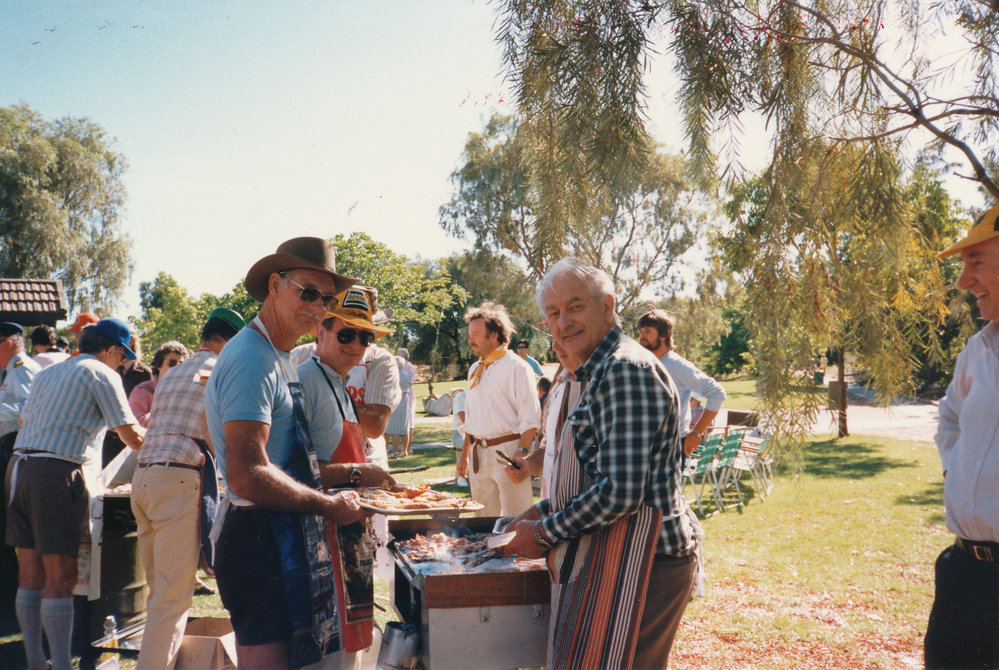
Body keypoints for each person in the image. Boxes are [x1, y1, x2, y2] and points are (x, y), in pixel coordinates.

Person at [504, 258, 701, 669]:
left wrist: (542, 533)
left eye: (575, 307)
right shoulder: (599, 370)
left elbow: (620, 493)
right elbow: (595, 476)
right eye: (553, 314)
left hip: (648, 562)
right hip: (618, 554)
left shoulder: (625, 370)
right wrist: (542, 508)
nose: (562, 323)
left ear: (608, 305)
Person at [204, 237, 371, 670]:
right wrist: (329, 506)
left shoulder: (275, 354)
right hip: (258, 540)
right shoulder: (252, 359)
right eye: (308, 292)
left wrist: (354, 479)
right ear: (275, 285)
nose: (318, 305)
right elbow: (247, 474)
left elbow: (289, 462)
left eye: (327, 297)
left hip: (278, 535)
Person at [5, 317, 145, 670]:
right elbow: (130, 434)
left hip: (19, 468)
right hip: (56, 473)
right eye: (122, 356)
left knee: (29, 572)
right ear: (111, 350)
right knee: (60, 574)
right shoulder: (102, 373)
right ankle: (64, 664)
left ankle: (37, 661)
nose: (123, 363)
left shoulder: (49, 372)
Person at [131, 309, 245, 670]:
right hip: (178, 480)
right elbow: (214, 435)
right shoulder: (220, 371)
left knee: (158, 594)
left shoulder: (172, 371)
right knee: (172, 600)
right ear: (229, 342)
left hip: (144, 477)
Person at [299, 305, 395, 669]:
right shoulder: (307, 379)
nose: (356, 344)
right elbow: (293, 470)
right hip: (324, 534)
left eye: (365, 336)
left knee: (350, 647)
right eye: (345, 334)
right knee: (329, 651)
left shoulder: (337, 381)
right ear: (319, 333)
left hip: (350, 533)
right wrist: (359, 474)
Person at [925, 203, 999, 669]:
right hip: (963, 578)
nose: (962, 281)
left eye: (976, 262)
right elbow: (950, 415)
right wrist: (955, 471)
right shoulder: (979, 348)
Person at [456, 302, 541, 517]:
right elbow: (471, 419)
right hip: (478, 456)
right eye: (470, 334)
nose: (470, 339)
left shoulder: (517, 367)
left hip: (508, 452)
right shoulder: (475, 369)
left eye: (475, 334)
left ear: (493, 335)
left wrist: (521, 454)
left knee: (516, 519)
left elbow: (530, 418)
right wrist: (464, 455)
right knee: (482, 522)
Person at [638, 309, 728, 455]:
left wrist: (697, 433)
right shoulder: (646, 364)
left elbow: (717, 393)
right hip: (646, 445)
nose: (642, 336)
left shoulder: (676, 365)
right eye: (641, 332)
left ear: (663, 335)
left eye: (647, 331)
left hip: (671, 446)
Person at [129, 340, 192, 428]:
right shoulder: (143, 391)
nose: (177, 368)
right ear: (159, 365)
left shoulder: (187, 392)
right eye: (172, 363)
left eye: (181, 364)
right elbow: (136, 422)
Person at [385, 356, 414, 458]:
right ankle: (404, 450)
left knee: (393, 428)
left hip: (396, 400)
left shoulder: (394, 375)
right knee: (404, 427)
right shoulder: (407, 376)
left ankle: (395, 451)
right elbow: (410, 385)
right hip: (405, 400)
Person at [395, 347, 417, 451]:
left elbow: (411, 382)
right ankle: (398, 448)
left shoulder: (408, 367)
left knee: (409, 421)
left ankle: (408, 448)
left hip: (407, 395)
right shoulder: (397, 366)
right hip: (398, 394)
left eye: (398, 354)